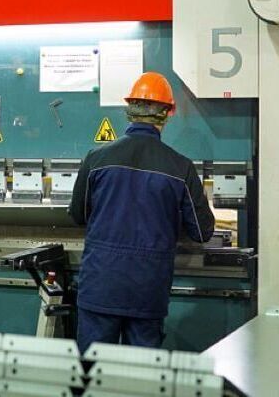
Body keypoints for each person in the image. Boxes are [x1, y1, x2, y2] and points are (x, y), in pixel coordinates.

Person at [69, 71, 215, 353]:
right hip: (147, 288)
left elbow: (79, 215)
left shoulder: (96, 159)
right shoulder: (180, 167)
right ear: (169, 113)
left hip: (100, 283)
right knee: (142, 372)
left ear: (129, 110)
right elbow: (202, 231)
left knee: (91, 371)